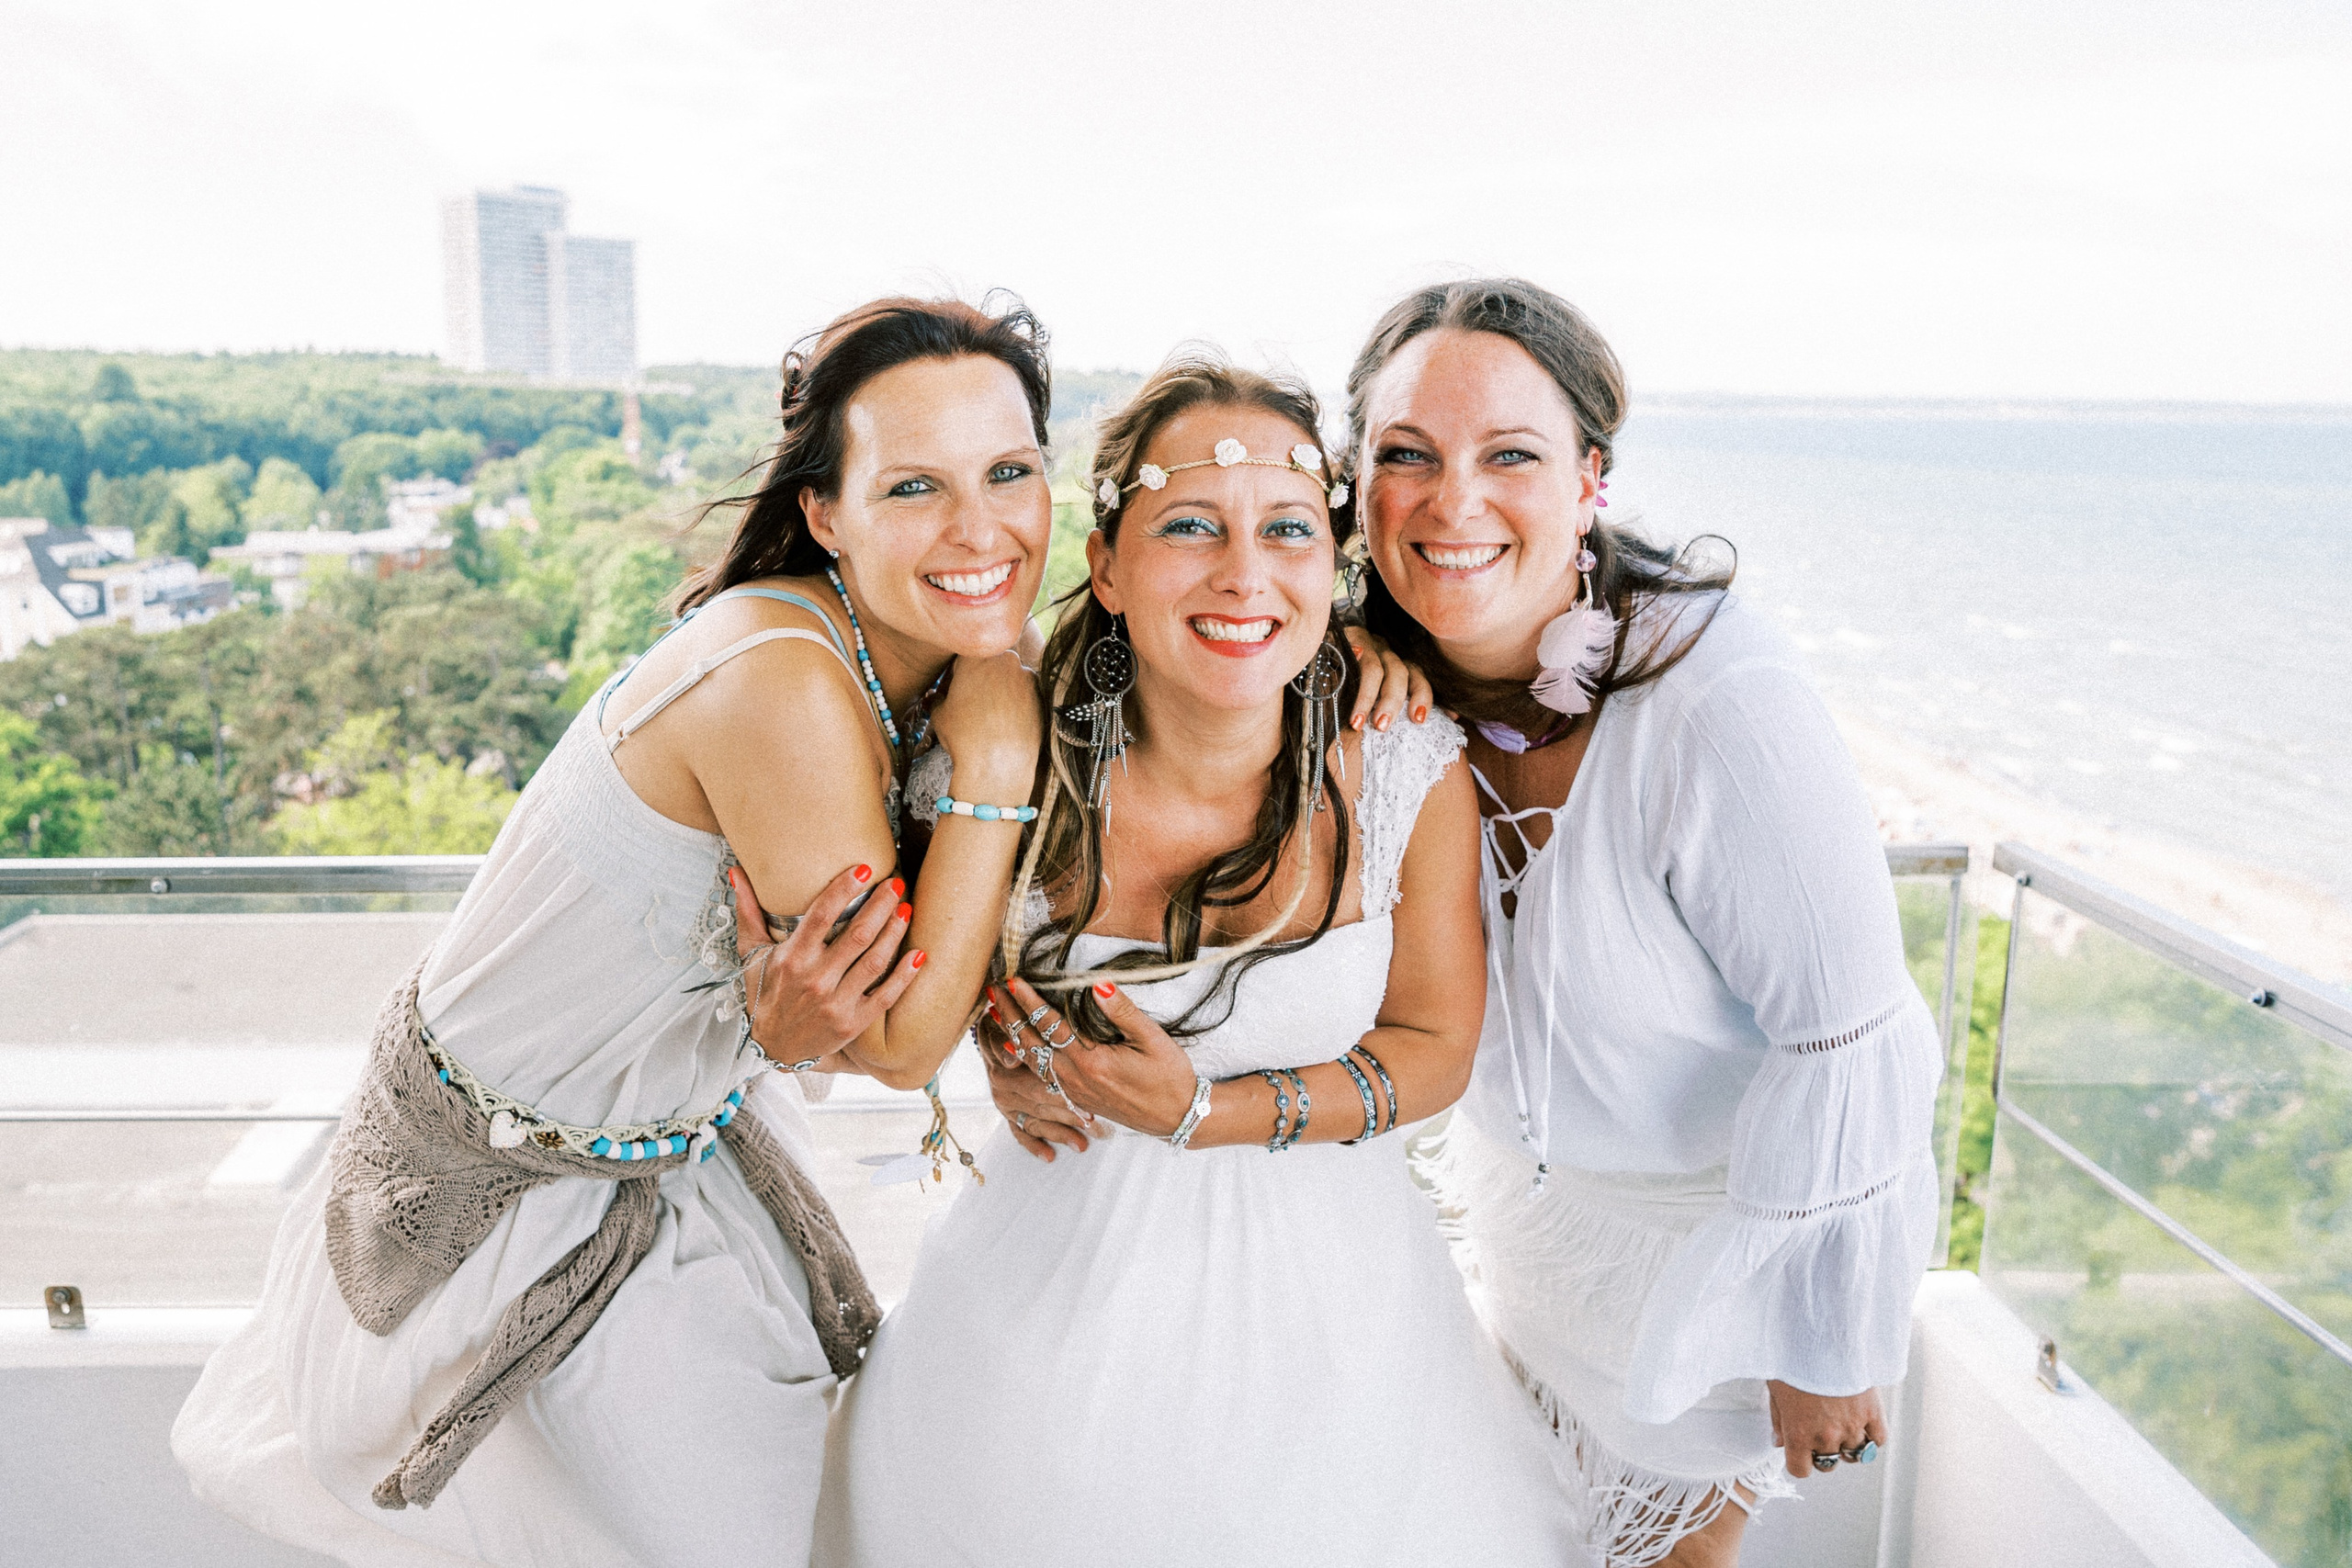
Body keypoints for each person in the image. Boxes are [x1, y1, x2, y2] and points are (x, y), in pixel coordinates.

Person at [171, 295, 1060, 1568]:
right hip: (503, 1204)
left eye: (1011, 471)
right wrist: (1003, 755)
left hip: (672, 1134)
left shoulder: (919, 646)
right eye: (915, 485)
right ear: (824, 514)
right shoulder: (784, 681)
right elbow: (906, 1038)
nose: (982, 529)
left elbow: (863, 1008)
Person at [815, 355, 1580, 1567]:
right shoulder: (992, 751)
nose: (1243, 574)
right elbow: (885, 1001)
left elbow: (1435, 1051)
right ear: (1109, 566)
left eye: (1287, 530)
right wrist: (986, 1030)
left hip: (1348, 1371)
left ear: (1330, 569)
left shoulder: (1403, 763)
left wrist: (1208, 1111)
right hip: (1031, 1352)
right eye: (1190, 527)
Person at [1341, 277, 1946, 1568]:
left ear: (1590, 480)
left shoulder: (1719, 703)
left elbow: (1850, 1034)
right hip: (1530, 1247)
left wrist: (1822, 1337)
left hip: (1715, 1268)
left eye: (1512, 453)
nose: (1455, 500)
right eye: (1408, 455)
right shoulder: (1362, 681)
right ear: (1356, 484)